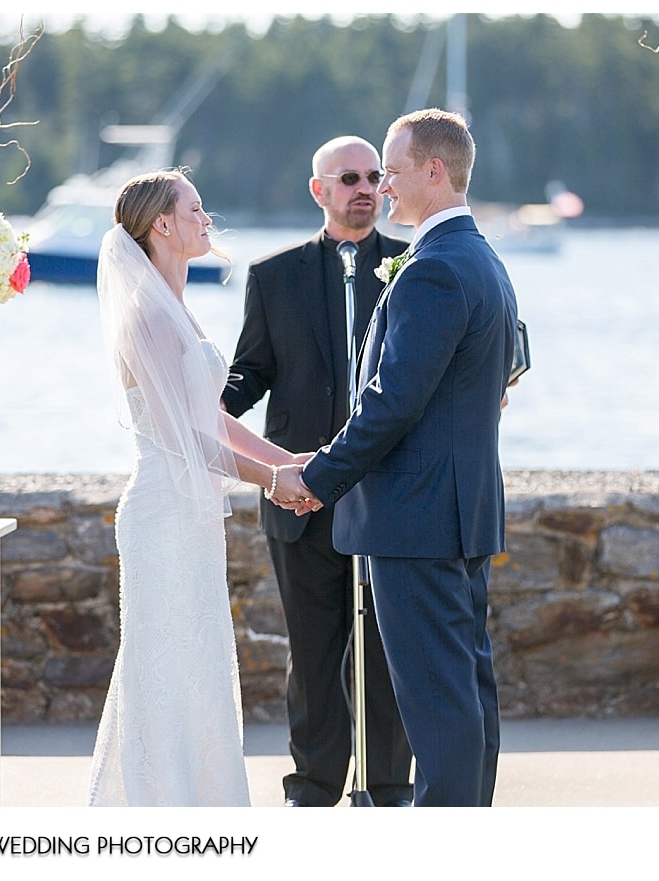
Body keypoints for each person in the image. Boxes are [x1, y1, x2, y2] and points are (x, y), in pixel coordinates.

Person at [276, 109, 519, 807]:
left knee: (439, 706)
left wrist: (316, 478)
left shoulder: (434, 270)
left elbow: (390, 404)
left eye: (393, 171)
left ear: (434, 173)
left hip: (416, 520)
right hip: (457, 511)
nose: (382, 187)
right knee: (466, 694)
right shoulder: (482, 259)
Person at [87, 169, 304, 807]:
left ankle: (203, 808)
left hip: (191, 511)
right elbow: (184, 440)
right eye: (195, 208)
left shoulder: (175, 308)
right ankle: (160, 813)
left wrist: (286, 459)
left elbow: (210, 419)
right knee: (163, 667)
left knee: (199, 665)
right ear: (162, 224)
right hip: (162, 512)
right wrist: (274, 481)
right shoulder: (147, 318)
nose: (207, 219)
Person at [222, 136, 414, 808]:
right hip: (300, 497)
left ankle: (390, 786)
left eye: (374, 177)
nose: (365, 187)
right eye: (350, 178)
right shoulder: (273, 275)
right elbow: (253, 371)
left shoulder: (414, 265)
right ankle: (313, 787)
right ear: (320, 190)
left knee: (387, 654)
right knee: (312, 651)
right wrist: (199, 406)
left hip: (389, 497)